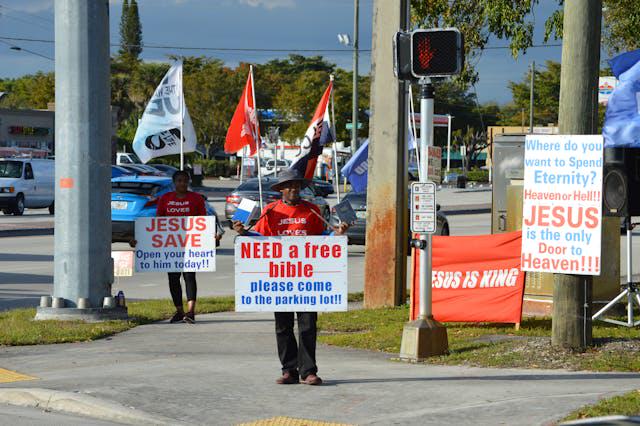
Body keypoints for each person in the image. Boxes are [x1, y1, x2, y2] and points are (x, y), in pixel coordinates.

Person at [233, 169, 349, 386]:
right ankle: (289, 370)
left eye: (296, 185)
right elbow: (259, 237)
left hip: (307, 279)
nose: (293, 189)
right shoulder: (270, 211)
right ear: (281, 190)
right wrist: (243, 232)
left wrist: (337, 234)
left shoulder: (311, 210)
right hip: (280, 279)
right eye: (289, 186)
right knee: (283, 326)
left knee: (307, 325)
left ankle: (308, 371)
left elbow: (323, 238)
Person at [131, 170, 211, 324]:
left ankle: (191, 311)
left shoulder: (196, 199)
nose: (182, 183)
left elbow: (203, 221)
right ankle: (179, 311)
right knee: (173, 278)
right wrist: (141, 239)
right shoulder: (165, 198)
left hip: (191, 245)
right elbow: (158, 222)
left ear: (188, 182)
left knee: (189, 276)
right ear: (174, 183)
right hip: (170, 246)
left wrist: (210, 236)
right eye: (179, 181)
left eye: (185, 181)